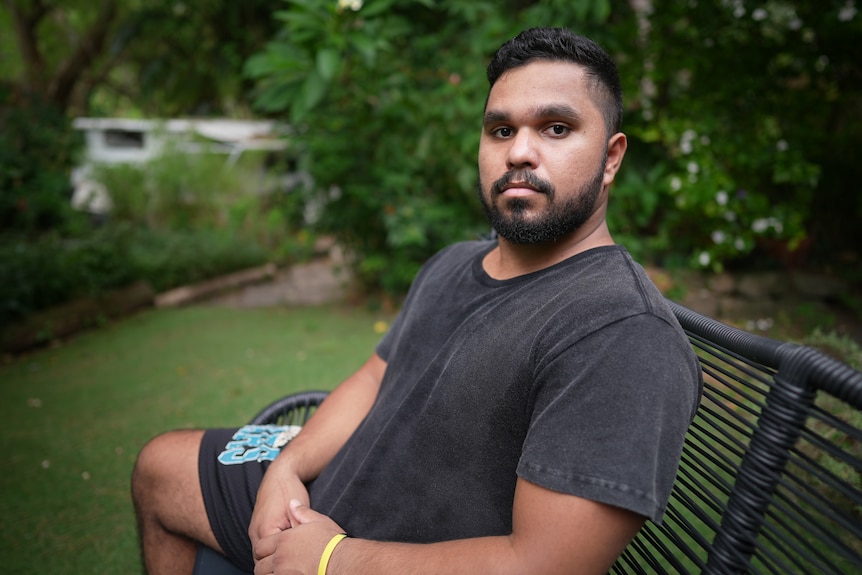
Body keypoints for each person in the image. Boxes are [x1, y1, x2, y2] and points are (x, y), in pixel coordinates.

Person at [132, 27, 703, 575]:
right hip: (326, 497)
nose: (519, 152)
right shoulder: (454, 262)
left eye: (556, 128)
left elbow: (546, 565)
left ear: (610, 157)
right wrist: (289, 468)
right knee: (161, 465)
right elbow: (375, 377)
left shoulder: (620, 330)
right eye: (500, 130)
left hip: (373, 552)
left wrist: (331, 560)